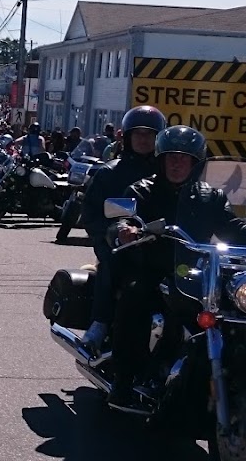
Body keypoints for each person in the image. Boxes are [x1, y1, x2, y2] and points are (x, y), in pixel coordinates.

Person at [107, 125, 246, 412]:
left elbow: (236, 229)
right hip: (152, 270)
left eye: (184, 158)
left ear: (195, 163)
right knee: (134, 299)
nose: (177, 163)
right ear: (161, 159)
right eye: (171, 157)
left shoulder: (210, 197)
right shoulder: (142, 190)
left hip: (196, 274)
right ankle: (124, 379)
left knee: (236, 310)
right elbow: (120, 222)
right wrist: (125, 230)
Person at [78, 105, 166, 355]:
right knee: (113, 264)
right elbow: (91, 213)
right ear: (126, 137)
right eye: (137, 133)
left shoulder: (167, 172)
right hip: (119, 242)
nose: (143, 139)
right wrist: (112, 232)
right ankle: (100, 323)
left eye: (149, 134)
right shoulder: (110, 173)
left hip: (160, 241)